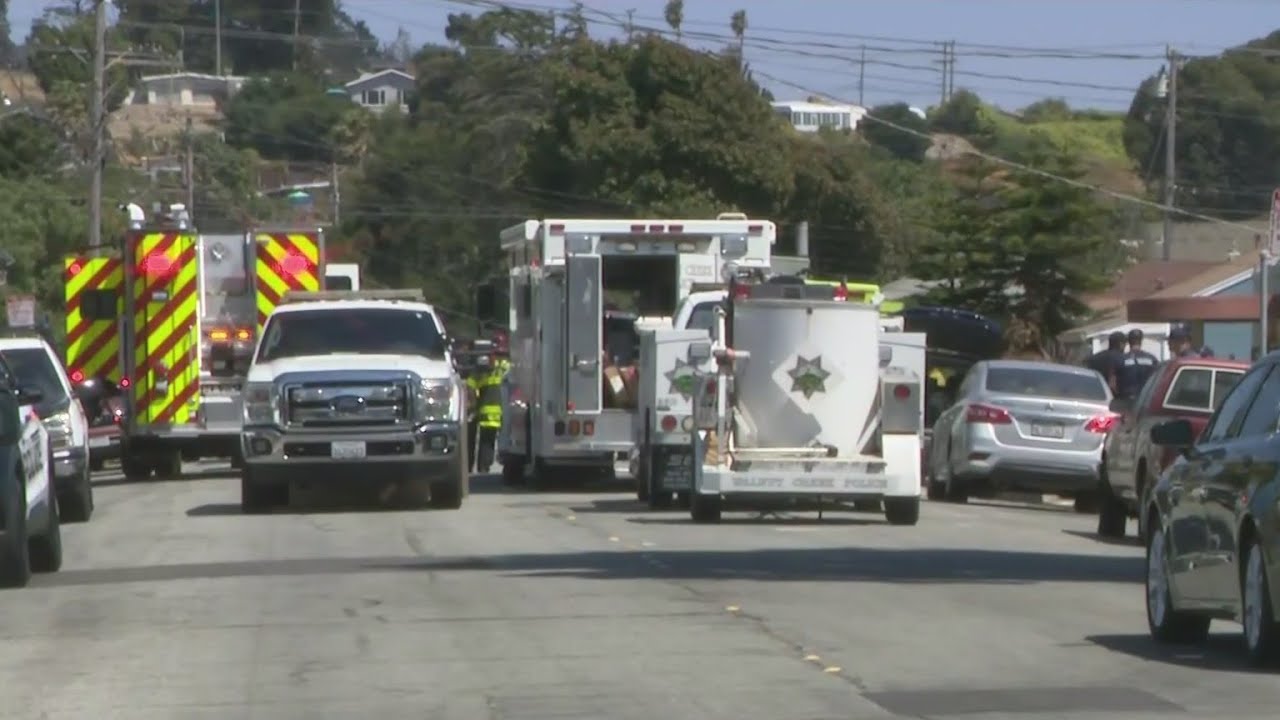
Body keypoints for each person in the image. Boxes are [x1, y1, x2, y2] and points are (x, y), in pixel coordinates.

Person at [466, 352, 505, 473]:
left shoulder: (480, 371)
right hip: (495, 413)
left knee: (485, 441)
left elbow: (470, 387)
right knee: (488, 441)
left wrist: (472, 406)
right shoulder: (501, 369)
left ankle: (481, 467)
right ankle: (483, 467)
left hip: (486, 412)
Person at [1116, 328, 1159, 399]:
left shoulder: (1121, 359)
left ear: (1128, 341)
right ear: (1141, 341)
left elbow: (1113, 383)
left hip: (1126, 398)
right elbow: (1158, 379)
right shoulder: (1152, 359)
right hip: (1146, 399)